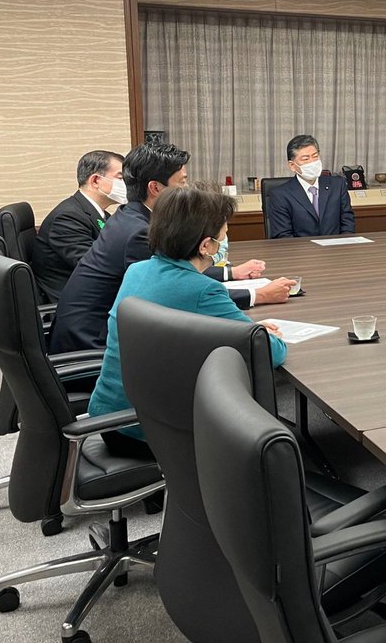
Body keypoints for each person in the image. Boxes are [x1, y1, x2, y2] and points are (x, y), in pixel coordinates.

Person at [87, 186, 288, 459]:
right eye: (222, 236)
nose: (223, 243)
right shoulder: (202, 290)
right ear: (206, 246)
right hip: (152, 432)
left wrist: (248, 332)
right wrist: (262, 335)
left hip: (111, 418)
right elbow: (270, 352)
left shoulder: (137, 270)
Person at [50, 143, 289, 352]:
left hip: (102, 329)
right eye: (182, 182)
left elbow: (176, 275)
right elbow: (174, 289)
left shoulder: (131, 216)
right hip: (93, 340)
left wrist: (231, 274)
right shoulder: (140, 232)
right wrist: (256, 297)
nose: (187, 189)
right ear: (155, 188)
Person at [32, 150, 125, 301]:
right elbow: (94, 265)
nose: (127, 184)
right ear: (95, 180)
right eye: (121, 178)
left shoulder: (99, 213)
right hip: (78, 302)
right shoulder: (67, 217)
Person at [265, 135, 355, 238]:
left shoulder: (338, 185)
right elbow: (283, 236)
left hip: (336, 246)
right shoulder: (280, 195)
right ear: (292, 166)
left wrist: (343, 243)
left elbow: (347, 223)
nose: (312, 162)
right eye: (305, 159)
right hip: (301, 248)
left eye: (315, 156)